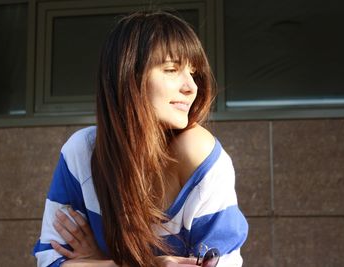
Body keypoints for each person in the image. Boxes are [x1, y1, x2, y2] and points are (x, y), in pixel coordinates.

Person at [33, 11, 248, 267]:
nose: (191, 86)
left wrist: (97, 261)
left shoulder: (199, 154)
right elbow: (49, 260)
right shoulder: (82, 152)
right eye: (171, 69)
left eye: (193, 72)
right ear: (128, 76)